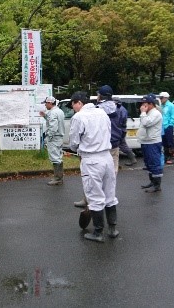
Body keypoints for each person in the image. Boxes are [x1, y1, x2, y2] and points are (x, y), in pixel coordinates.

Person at [68, 91, 118, 243]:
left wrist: (76, 149)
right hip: (107, 157)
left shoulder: (79, 117)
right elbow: (109, 132)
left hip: (91, 159)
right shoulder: (102, 113)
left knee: (95, 196)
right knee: (109, 194)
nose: (73, 109)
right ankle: (113, 228)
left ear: (79, 103)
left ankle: (98, 232)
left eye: (73, 105)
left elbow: (74, 142)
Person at [74, 86, 124, 206]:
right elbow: (123, 126)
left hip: (95, 148)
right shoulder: (120, 109)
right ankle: (108, 200)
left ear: (100, 96)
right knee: (110, 176)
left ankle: (90, 201)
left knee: (91, 178)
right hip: (113, 146)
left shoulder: (97, 110)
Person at [138, 94, 163, 193]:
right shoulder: (148, 113)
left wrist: (143, 113)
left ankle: (157, 185)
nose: (142, 106)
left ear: (151, 104)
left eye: (145, 104)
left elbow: (146, 123)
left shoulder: (155, 114)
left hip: (152, 142)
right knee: (148, 163)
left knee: (154, 163)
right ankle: (152, 182)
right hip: (145, 141)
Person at [39, 96, 65, 186]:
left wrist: (48, 137)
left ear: (50, 103)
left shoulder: (53, 113)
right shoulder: (59, 111)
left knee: (55, 158)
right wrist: (45, 116)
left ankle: (58, 178)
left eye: (46, 103)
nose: (45, 105)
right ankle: (58, 177)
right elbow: (53, 122)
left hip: (54, 138)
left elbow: (53, 127)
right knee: (58, 157)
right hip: (59, 138)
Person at [159, 92, 174, 164]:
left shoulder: (171, 106)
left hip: (168, 126)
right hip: (162, 126)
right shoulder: (162, 106)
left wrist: (170, 124)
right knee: (164, 143)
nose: (160, 99)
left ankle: (173, 157)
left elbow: (173, 116)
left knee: (170, 142)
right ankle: (166, 157)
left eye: (161, 98)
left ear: (166, 98)